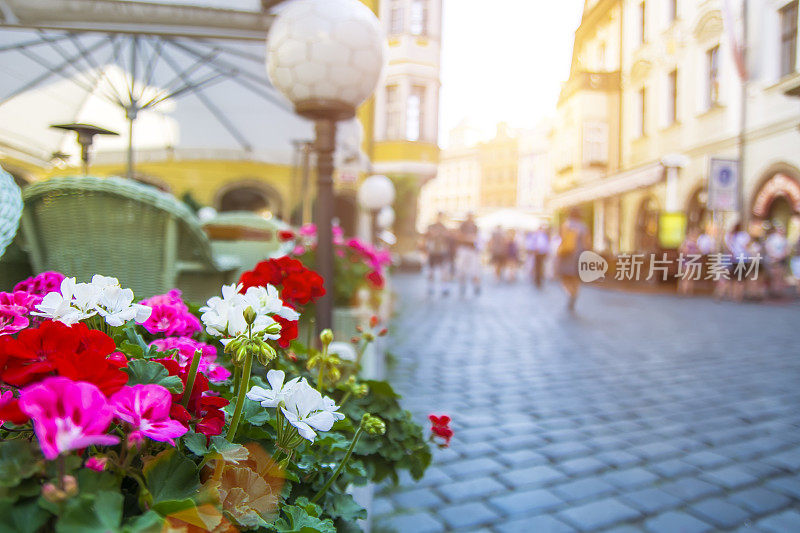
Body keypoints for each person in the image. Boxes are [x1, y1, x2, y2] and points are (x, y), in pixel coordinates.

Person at [556, 209, 590, 311]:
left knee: (564, 277)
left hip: (567, 254)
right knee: (576, 277)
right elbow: (587, 243)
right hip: (579, 254)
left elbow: (561, 239)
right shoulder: (584, 227)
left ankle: (570, 293)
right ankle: (574, 294)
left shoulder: (565, 225)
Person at [455, 212, 482, 296]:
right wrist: (467, 238)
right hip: (464, 249)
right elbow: (459, 236)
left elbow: (477, 238)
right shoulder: (463, 225)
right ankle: (462, 286)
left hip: (472, 250)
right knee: (462, 269)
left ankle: (476, 286)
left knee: (475, 269)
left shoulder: (475, 226)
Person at [425, 212, 451, 297]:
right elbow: (428, 236)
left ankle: (444, 287)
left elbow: (447, 238)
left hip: (441, 251)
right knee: (431, 270)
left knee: (443, 270)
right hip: (433, 251)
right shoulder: (431, 226)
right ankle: (431, 287)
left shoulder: (444, 227)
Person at [765, 225, 789, 297]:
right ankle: (773, 291)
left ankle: (778, 291)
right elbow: (768, 248)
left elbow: (787, 249)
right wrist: (774, 256)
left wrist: (782, 256)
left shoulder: (784, 239)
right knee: (773, 275)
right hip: (773, 259)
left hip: (782, 259)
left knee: (780, 276)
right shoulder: (772, 238)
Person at [678, 227, 701, 296]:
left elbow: (699, 252)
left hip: (692, 260)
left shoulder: (696, 243)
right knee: (686, 276)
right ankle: (684, 291)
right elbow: (681, 251)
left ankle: (688, 291)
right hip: (687, 260)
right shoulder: (687, 242)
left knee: (690, 276)